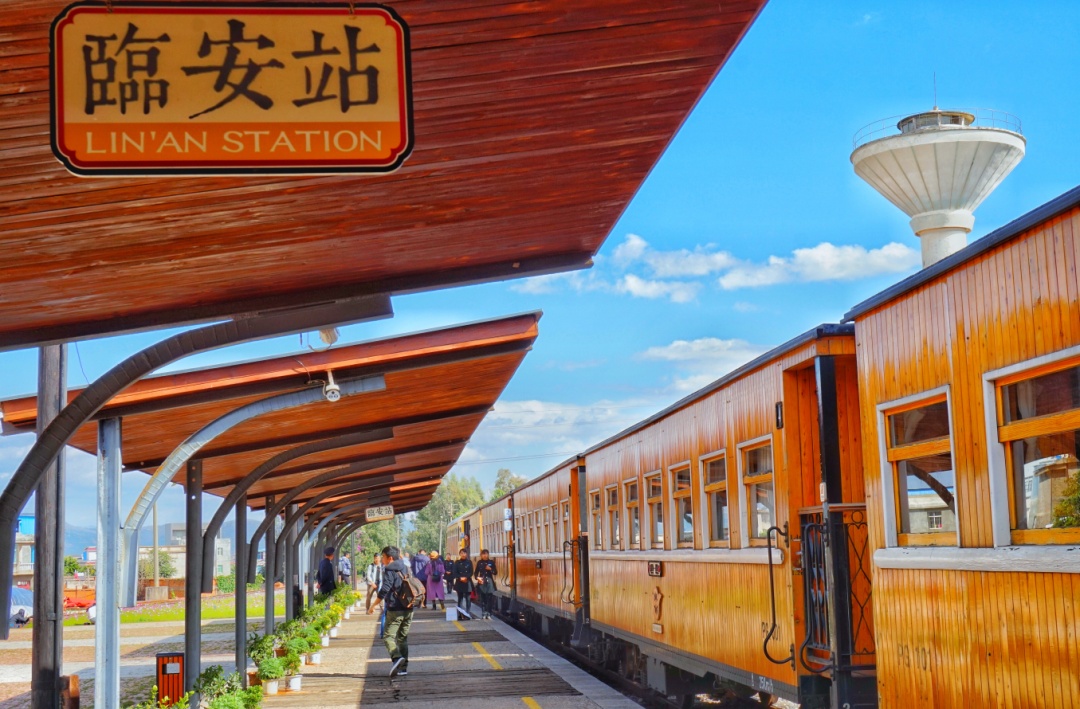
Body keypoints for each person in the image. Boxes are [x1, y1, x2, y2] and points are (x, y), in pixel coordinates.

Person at [367, 546, 413, 677]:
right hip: (409, 607)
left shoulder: (390, 569)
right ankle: (403, 669)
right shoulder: (406, 567)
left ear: (390, 558)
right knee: (402, 638)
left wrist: (373, 605)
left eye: (383, 557)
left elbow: (385, 588)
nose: (382, 559)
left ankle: (396, 657)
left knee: (388, 637)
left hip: (395, 608)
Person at [473, 549, 497, 619]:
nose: (485, 555)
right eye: (483, 554)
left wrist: (490, 569)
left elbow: (495, 572)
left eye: (486, 554)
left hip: (489, 581)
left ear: (488, 555)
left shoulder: (491, 562)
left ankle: (489, 613)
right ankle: (484, 612)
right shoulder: (479, 562)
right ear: (481, 555)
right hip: (482, 581)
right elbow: (476, 573)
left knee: (489, 598)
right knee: (483, 598)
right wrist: (477, 578)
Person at [451, 548, 474, 618]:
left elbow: (471, 572)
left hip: (467, 582)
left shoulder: (469, 562)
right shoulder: (457, 562)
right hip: (459, 583)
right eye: (462, 553)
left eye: (464, 553)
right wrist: (460, 578)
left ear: (466, 554)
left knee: (468, 599)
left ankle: (467, 613)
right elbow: (454, 572)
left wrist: (466, 578)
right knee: (460, 599)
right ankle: (460, 613)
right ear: (460, 554)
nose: (463, 554)